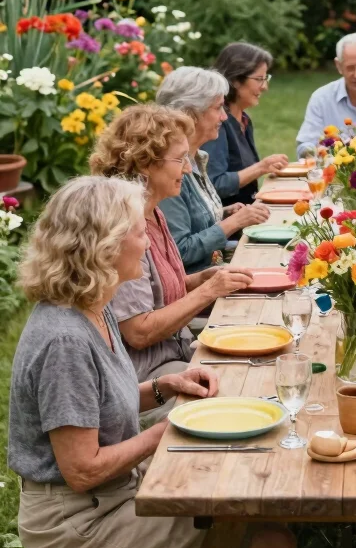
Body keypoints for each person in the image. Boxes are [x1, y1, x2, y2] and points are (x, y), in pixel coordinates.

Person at [8, 176, 352, 548]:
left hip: (108, 500)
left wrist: (163, 389)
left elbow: (104, 407)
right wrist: (165, 431)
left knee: (244, 513)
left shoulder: (88, 309)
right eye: (134, 232)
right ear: (100, 244)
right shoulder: (66, 341)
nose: (146, 242)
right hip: (78, 525)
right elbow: (80, 469)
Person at [91, 104, 254, 387]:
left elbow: (153, 292)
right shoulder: (124, 230)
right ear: (145, 163)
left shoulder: (154, 212)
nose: (189, 169)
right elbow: (138, 332)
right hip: (147, 377)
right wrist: (208, 291)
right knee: (239, 384)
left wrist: (197, 280)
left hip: (177, 352)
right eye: (180, 160)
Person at [156, 66, 270, 273]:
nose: (224, 117)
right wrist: (233, 223)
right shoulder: (169, 170)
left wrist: (225, 214)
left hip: (215, 271)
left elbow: (193, 222)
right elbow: (179, 251)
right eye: (218, 108)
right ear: (190, 114)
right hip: (197, 287)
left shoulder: (196, 157)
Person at [202, 43, 289, 205]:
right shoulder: (218, 124)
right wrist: (261, 167)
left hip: (249, 214)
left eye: (266, 78)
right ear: (235, 80)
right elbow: (214, 184)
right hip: (227, 222)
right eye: (259, 79)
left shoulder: (244, 120)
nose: (265, 87)